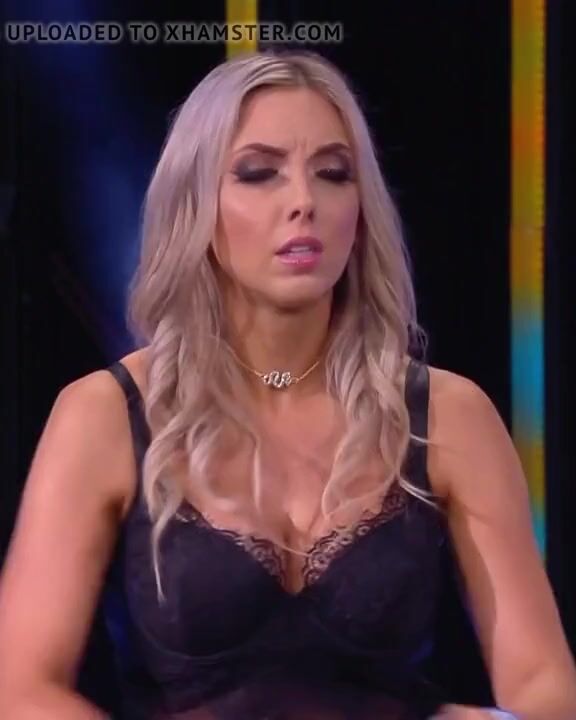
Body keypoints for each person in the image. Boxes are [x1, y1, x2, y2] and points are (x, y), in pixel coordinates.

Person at [0, 49, 575, 720]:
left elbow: (545, 686)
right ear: (195, 205)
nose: (304, 202)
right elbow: (20, 688)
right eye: (258, 173)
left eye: (333, 174)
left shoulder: (448, 416)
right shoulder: (104, 415)